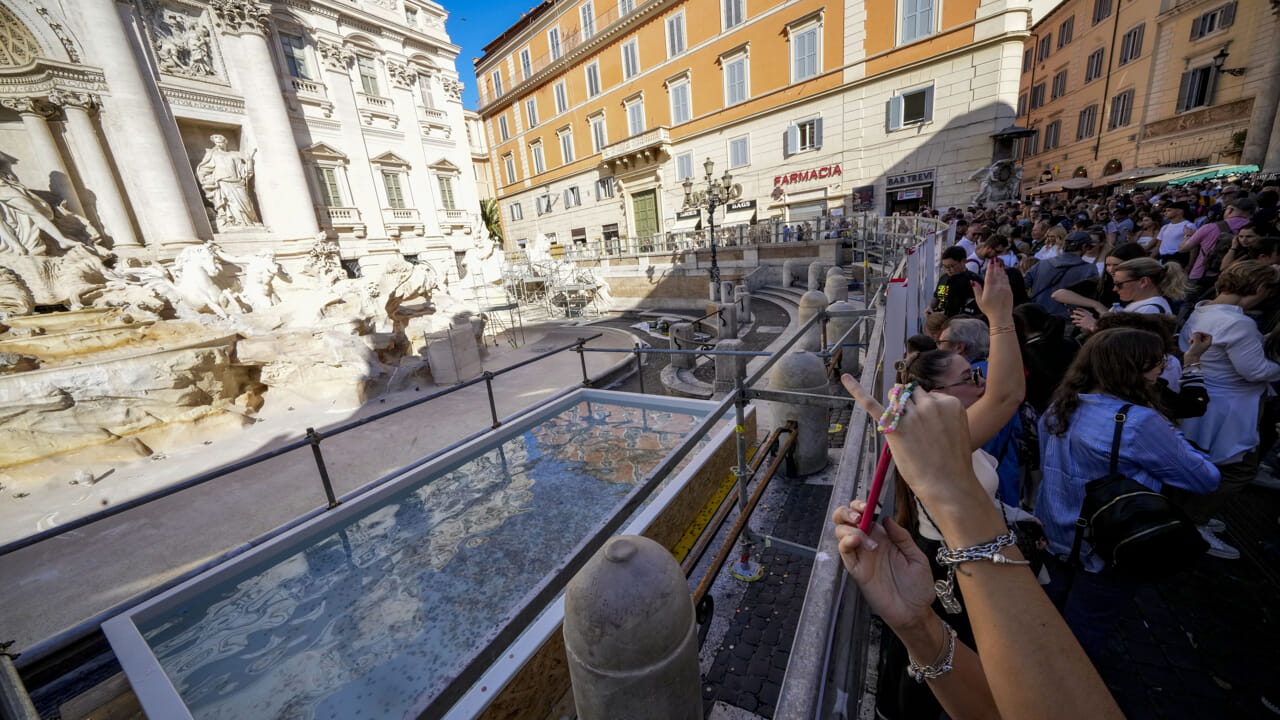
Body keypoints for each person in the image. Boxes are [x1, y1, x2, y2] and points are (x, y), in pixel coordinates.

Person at [836, 380, 1125, 720]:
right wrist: (917, 625)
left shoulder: (951, 446)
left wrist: (918, 623)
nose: (981, 382)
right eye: (969, 378)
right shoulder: (939, 448)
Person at [1036, 328, 1220, 662]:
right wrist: (1174, 438)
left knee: (1048, 621)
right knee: (1085, 632)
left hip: (1054, 535)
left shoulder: (1059, 407)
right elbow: (1205, 478)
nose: (1161, 370)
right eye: (1154, 363)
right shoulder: (1138, 422)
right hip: (1108, 545)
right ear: (1129, 369)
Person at [1176, 261, 1280, 558]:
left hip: (1205, 399)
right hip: (1229, 408)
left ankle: (1192, 515)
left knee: (1204, 462)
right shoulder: (1239, 323)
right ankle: (1195, 521)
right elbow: (1254, 370)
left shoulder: (1204, 309)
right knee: (1236, 471)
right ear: (1259, 289)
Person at [1025, 230, 1098, 317]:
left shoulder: (1042, 264)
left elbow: (1023, 285)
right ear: (1084, 246)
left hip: (1039, 317)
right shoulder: (1089, 269)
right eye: (1089, 247)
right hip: (1069, 320)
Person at [197, 134, 259, 228]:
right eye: (216, 142)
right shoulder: (213, 154)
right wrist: (204, 178)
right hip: (222, 182)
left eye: (220, 140)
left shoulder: (234, 155)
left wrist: (249, 161)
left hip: (237, 182)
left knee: (246, 203)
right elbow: (205, 168)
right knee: (230, 203)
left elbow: (243, 172)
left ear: (225, 141)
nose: (218, 143)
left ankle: (249, 222)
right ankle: (236, 222)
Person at [929, 246, 983, 317]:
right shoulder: (944, 278)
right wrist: (930, 307)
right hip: (939, 320)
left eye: (951, 266)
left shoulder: (974, 281)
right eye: (945, 266)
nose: (948, 270)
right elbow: (936, 296)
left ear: (963, 261)